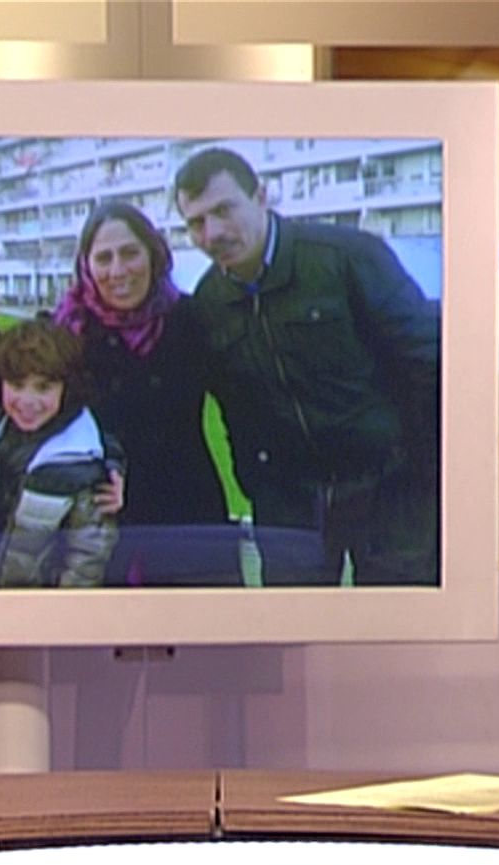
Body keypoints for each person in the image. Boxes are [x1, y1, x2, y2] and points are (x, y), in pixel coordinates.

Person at [173, 146, 440, 586]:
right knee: (299, 626)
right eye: (196, 222)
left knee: (397, 621)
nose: (213, 232)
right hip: (289, 508)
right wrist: (257, 485)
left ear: (261, 196)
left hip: (389, 492)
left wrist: (423, 470)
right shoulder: (208, 301)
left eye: (224, 210)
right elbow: (233, 409)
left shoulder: (346, 256)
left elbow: (427, 361)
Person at [50, 201, 241, 586]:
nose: (118, 270)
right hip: (98, 527)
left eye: (130, 253)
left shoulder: (191, 320)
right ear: (86, 265)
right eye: (103, 258)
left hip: (187, 516)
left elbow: (244, 407)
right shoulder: (68, 336)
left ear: (153, 254)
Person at [0, 318, 121, 588]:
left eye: (43, 387)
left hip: (33, 603)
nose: (28, 401)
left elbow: (87, 558)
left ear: (67, 388)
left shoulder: (83, 464)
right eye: (17, 385)